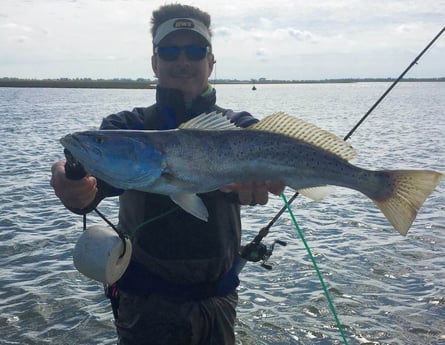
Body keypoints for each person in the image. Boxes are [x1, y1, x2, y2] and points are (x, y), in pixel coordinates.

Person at [51, 4, 284, 345]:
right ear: (155, 62)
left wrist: (255, 185)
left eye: (195, 50)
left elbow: (268, 166)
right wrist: (73, 185)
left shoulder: (240, 127)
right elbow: (94, 185)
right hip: (145, 306)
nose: (183, 61)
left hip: (218, 300)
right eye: (170, 51)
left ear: (211, 61)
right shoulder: (125, 127)